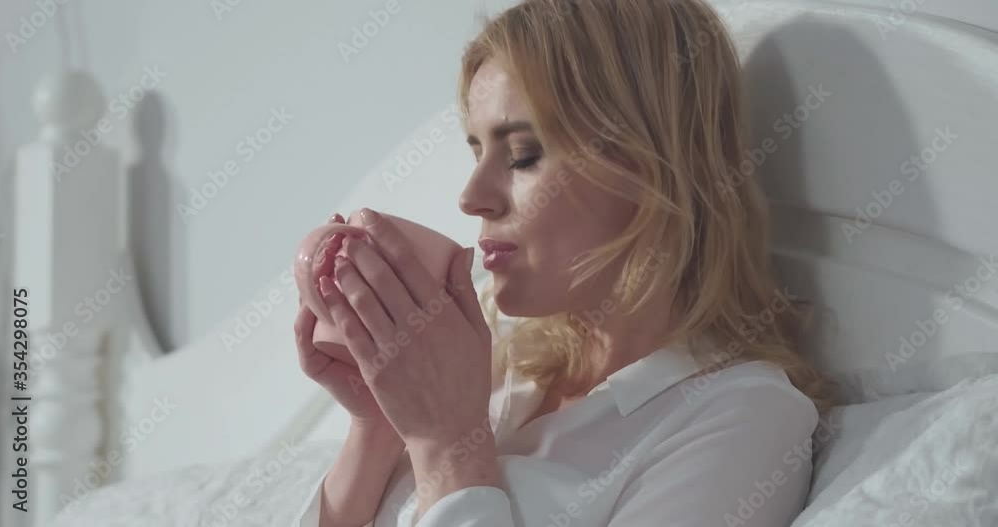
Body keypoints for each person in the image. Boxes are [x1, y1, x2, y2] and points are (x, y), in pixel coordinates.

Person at [292, 0, 836, 525]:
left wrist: (448, 446)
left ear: (651, 166)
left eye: (522, 156)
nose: (471, 198)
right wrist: (379, 426)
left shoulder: (743, 417)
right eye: (476, 153)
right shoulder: (498, 371)